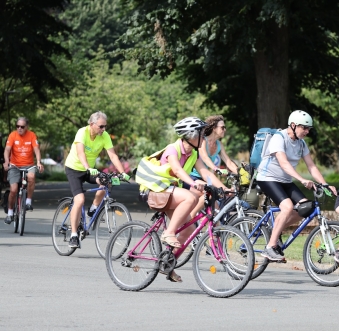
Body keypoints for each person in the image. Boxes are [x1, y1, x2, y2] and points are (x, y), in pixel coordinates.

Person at [136, 116, 229, 283]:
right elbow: (178, 171)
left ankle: (167, 264)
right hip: (153, 190)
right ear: (191, 135)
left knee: (188, 231)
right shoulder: (173, 150)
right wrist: (194, 183)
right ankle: (169, 233)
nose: (204, 136)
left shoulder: (193, 153)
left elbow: (206, 173)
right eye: (201, 132)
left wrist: (223, 188)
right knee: (189, 197)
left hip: (168, 192)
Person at [256, 110, 337, 262]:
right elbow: (284, 163)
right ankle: (270, 247)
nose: (307, 131)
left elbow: (311, 166)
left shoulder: (301, 143)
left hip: (285, 181)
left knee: (307, 207)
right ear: (293, 125)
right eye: (304, 128)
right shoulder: (279, 138)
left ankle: (275, 230)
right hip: (267, 178)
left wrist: (325, 184)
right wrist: (302, 179)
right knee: (287, 207)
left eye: (308, 129)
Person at [64, 111, 130, 248]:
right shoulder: (82, 132)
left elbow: (113, 156)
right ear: (92, 124)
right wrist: (88, 167)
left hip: (90, 169)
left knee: (106, 182)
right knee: (80, 199)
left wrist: (123, 173)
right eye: (101, 126)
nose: (104, 129)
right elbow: (81, 153)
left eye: (105, 126)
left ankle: (92, 210)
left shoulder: (104, 136)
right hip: (74, 169)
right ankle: (74, 235)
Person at [3, 117, 44, 224]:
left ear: (27, 127)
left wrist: (39, 162)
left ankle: (28, 201)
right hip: (14, 166)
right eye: (17, 126)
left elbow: (36, 150)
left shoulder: (31, 135)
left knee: (31, 177)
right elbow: (7, 150)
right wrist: (6, 161)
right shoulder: (12, 135)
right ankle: (10, 213)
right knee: (13, 190)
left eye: (22, 127)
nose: (19, 128)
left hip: (28, 165)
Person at [189, 115, 238, 181]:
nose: (225, 130)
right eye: (222, 127)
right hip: (192, 176)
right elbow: (205, 158)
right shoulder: (202, 141)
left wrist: (240, 173)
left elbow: (229, 162)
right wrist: (216, 169)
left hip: (206, 177)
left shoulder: (219, 145)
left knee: (221, 190)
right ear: (214, 128)